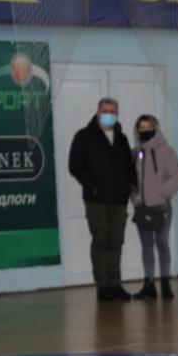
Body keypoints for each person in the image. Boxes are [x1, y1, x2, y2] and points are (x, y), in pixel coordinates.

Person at [68, 97, 136, 301]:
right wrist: (94, 187)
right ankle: (103, 286)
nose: (109, 114)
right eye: (105, 110)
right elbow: (75, 166)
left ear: (117, 114)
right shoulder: (84, 136)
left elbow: (129, 166)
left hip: (119, 200)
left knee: (116, 242)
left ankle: (115, 284)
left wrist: (130, 185)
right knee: (101, 241)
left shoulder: (122, 138)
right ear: (98, 112)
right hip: (96, 200)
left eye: (113, 111)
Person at [130, 114, 178, 300]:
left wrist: (164, 191)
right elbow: (129, 180)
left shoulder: (166, 151)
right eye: (142, 128)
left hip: (162, 207)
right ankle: (149, 285)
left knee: (162, 244)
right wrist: (134, 197)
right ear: (137, 130)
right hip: (142, 208)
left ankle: (165, 283)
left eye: (149, 127)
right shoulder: (134, 152)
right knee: (146, 247)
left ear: (156, 128)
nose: (145, 130)